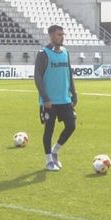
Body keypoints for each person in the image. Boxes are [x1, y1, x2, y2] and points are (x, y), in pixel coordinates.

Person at [33, 25, 79, 171]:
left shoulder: (65, 52)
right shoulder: (43, 53)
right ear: (51, 36)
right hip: (50, 101)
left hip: (65, 99)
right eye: (59, 34)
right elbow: (37, 77)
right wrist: (45, 98)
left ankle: (55, 151)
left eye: (62, 34)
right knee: (49, 130)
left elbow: (69, 73)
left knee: (71, 126)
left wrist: (74, 92)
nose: (62, 37)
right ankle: (48, 161)